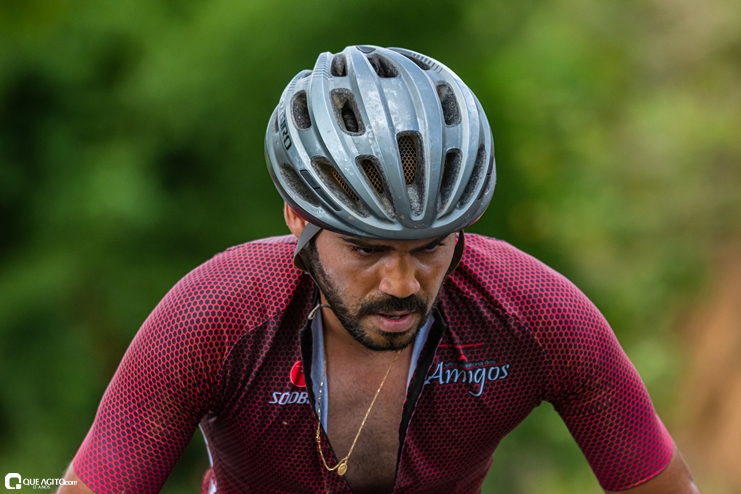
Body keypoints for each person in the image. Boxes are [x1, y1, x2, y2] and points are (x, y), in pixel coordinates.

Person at [58, 45, 699, 494]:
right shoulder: (211, 316)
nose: (401, 284)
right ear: (297, 217)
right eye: (366, 249)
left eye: (430, 248)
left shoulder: (534, 312)